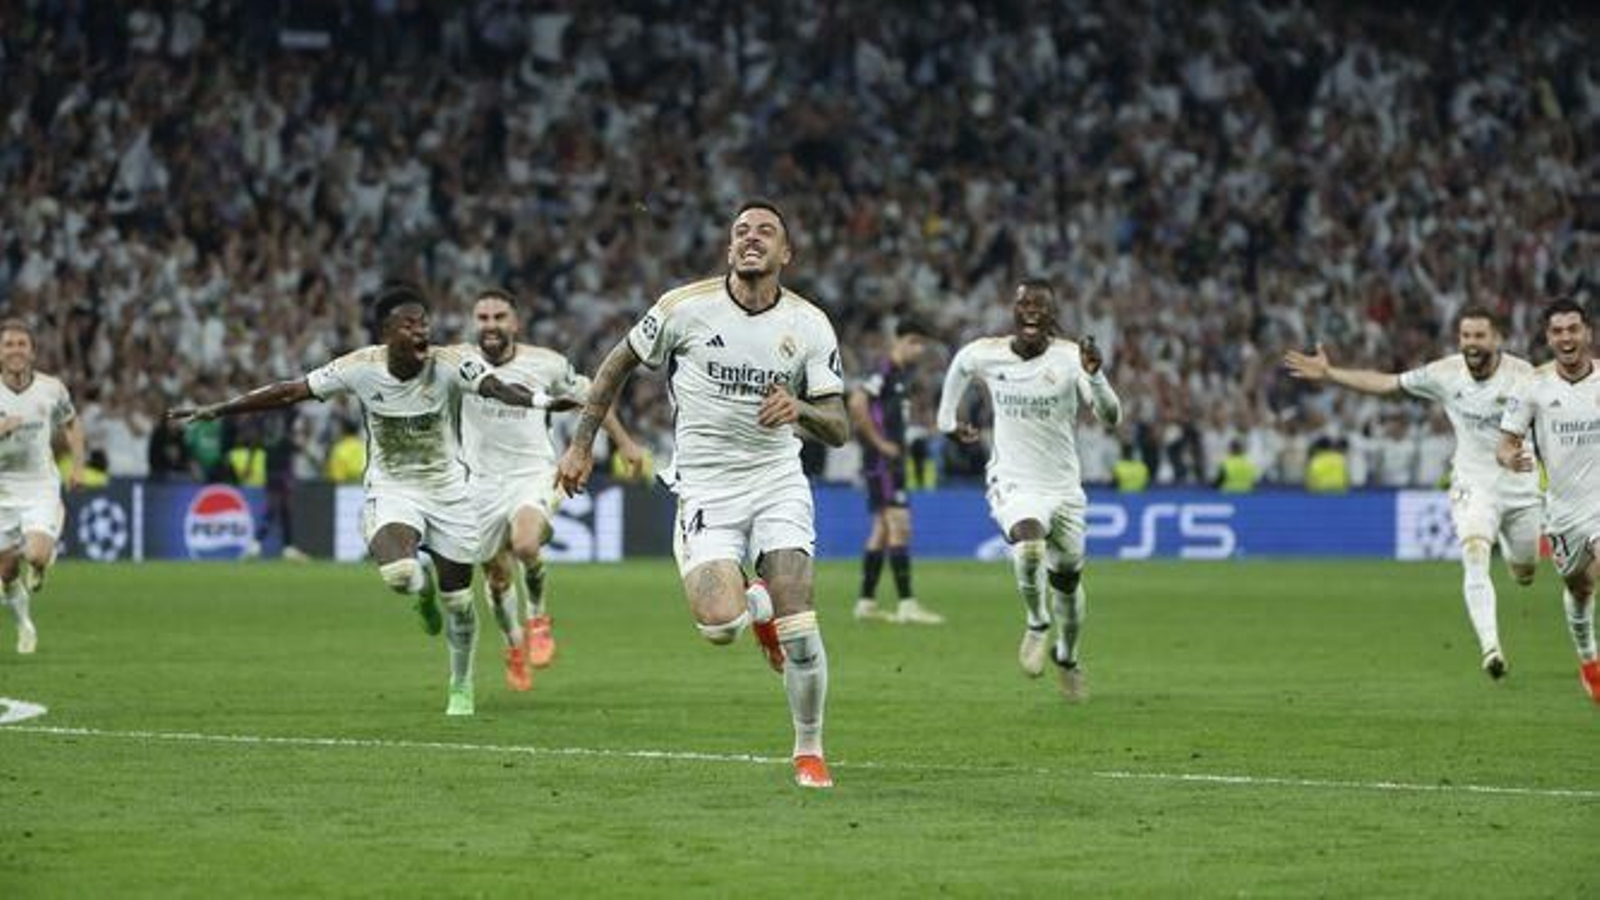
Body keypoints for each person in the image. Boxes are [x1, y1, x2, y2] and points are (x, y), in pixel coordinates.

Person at [556, 200, 849, 789]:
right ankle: (756, 609)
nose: (751, 238)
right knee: (719, 626)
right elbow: (613, 368)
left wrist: (801, 409)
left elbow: (838, 426)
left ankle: (809, 749)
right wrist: (582, 445)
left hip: (776, 480)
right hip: (706, 485)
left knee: (802, 621)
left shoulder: (810, 324)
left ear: (785, 253)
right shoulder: (682, 309)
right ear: (729, 248)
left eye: (766, 231)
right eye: (741, 230)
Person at [168, 283, 545, 715]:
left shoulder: (450, 363)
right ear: (387, 333)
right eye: (409, 325)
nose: (421, 332)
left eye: (424, 323)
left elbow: (497, 387)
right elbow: (291, 390)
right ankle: (420, 590)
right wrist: (221, 408)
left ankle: (461, 685)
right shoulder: (360, 367)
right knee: (401, 575)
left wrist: (542, 400)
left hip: (449, 494)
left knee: (459, 602)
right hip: (393, 489)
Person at [1285, 306, 1539, 680]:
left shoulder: (1525, 377)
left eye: (1479, 336)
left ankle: (1517, 562)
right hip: (1473, 482)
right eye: (1466, 336)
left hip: (1520, 485)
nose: (1471, 343)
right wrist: (1330, 374)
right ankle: (1491, 648)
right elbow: (1387, 384)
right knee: (1474, 552)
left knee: (1525, 572)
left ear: (1497, 338)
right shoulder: (1444, 373)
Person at [935, 279, 1122, 702]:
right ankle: (1037, 623)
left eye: (1041, 304)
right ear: (1014, 312)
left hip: (1063, 488)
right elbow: (960, 367)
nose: (1032, 310)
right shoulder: (988, 352)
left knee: (1068, 583)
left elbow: (1111, 416)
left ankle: (1068, 656)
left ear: (1053, 315)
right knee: (1028, 540)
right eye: (1024, 304)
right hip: (1015, 481)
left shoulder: (1072, 358)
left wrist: (1097, 378)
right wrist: (946, 420)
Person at [458, 288, 645, 693]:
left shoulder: (546, 363)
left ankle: (539, 617)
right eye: (483, 318)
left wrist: (624, 442)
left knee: (525, 544)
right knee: (495, 576)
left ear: (515, 322)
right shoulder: (459, 363)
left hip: (533, 474)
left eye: (499, 317)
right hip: (481, 485)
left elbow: (592, 395)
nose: (491, 325)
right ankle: (513, 645)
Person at [1497, 298, 1600, 703]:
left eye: (1573, 329)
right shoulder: (1532, 388)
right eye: (1557, 331)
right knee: (1579, 588)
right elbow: (1505, 444)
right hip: (1562, 513)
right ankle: (1589, 661)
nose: (1566, 337)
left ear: (1587, 332)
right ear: (1548, 337)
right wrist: (1510, 458)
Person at [847, 318, 942, 625]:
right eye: (914, 341)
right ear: (897, 340)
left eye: (922, 342)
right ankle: (907, 604)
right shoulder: (885, 369)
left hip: (887, 461)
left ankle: (866, 602)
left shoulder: (900, 374)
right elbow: (857, 401)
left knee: (882, 530)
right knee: (900, 526)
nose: (919, 348)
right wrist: (880, 443)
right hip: (883, 462)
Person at [0, 319, 84, 655]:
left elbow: (72, 422)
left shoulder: (52, 389)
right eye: (9, 344)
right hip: (2, 488)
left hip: (39, 485)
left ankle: (41, 556)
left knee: (34, 553)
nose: (15, 350)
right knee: (6, 570)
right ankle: (24, 625)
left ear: (32, 352)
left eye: (22, 344)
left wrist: (78, 465)